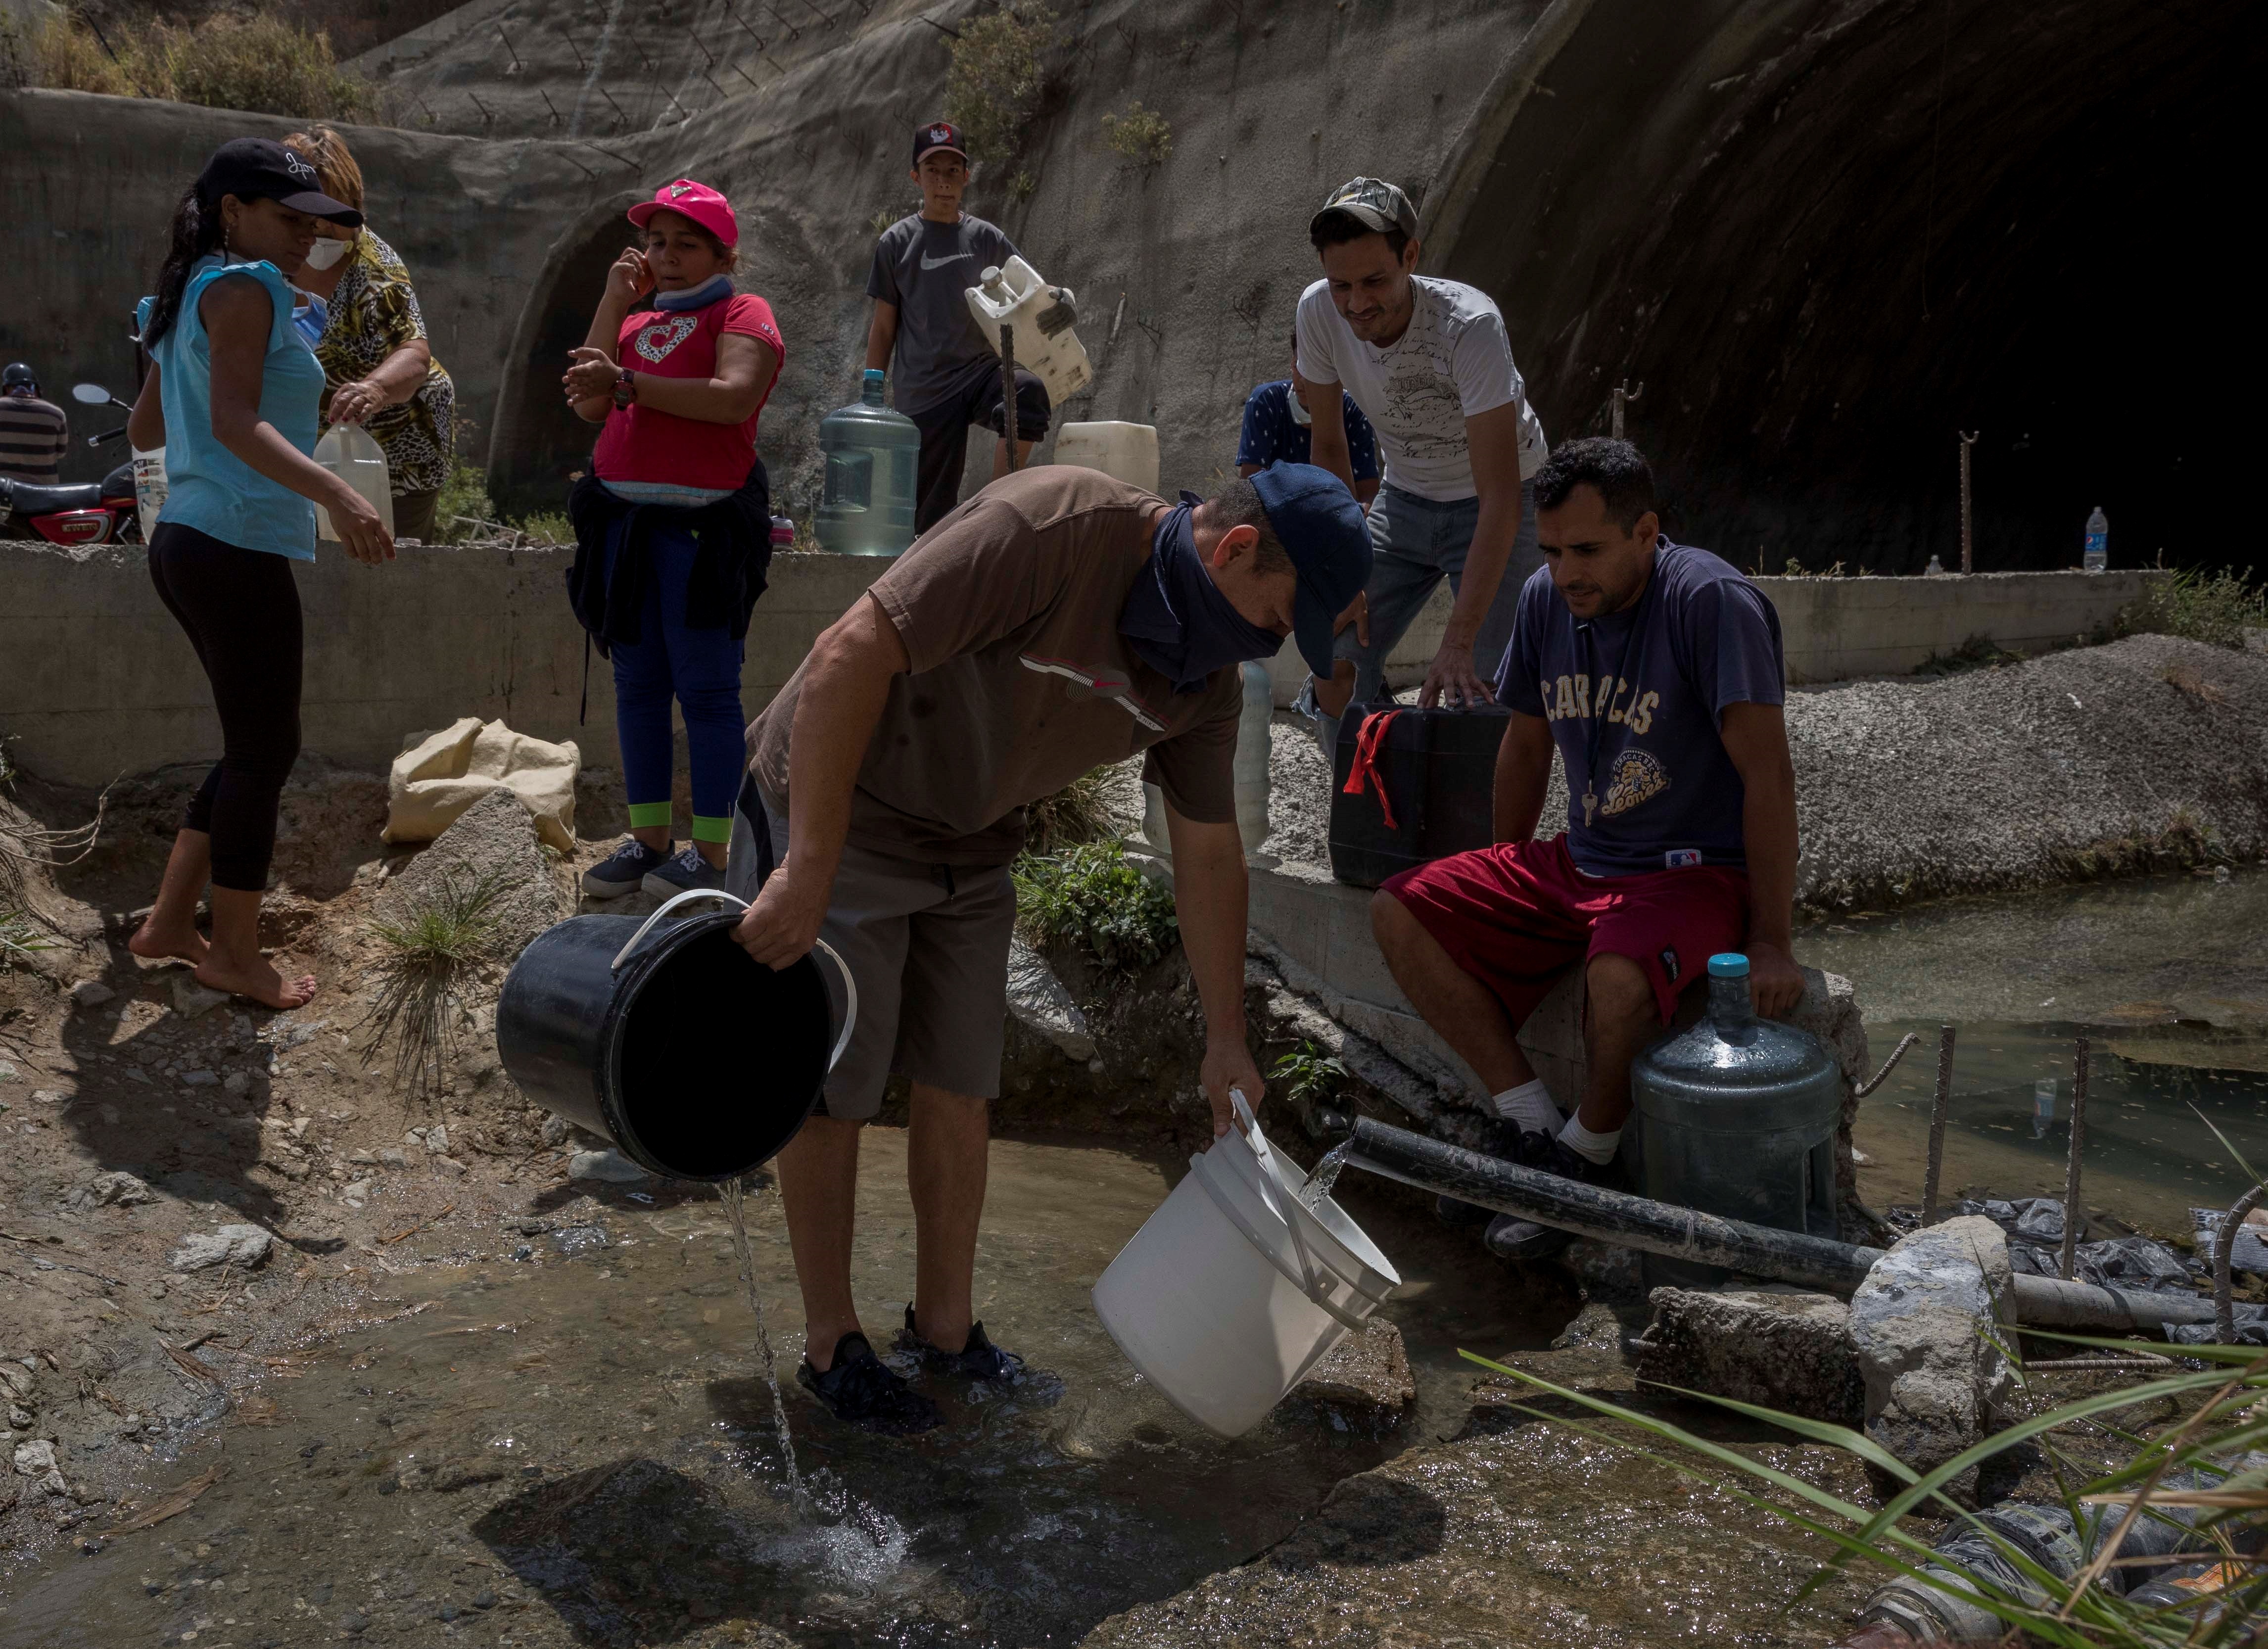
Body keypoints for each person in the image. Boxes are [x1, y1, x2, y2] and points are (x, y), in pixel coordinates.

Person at [724, 461, 1372, 1432]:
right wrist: (808, 863)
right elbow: (849, 649)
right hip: (843, 802)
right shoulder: (1055, 528)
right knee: (832, 1077)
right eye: (1276, 621)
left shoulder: (1203, 684)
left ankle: (943, 1331)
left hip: (972, 839)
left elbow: (1206, 853)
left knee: (962, 1075)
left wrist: (1226, 1039)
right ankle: (831, 1343)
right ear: (1234, 549)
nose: (1270, 647)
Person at [1368, 438, 1802, 1259]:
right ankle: (1528, 1120)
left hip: (1693, 872)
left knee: (1616, 974)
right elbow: (1526, 750)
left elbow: (1768, 776)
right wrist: (1503, 876)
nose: (1568, 572)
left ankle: (1586, 1154)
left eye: (1589, 551)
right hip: (1585, 860)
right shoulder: (1545, 601)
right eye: (1555, 551)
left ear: (1646, 533)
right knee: (1400, 907)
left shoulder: (1712, 602)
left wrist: (1771, 939)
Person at [123, 138, 395, 1011]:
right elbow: (236, 421)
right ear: (232, 210)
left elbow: (143, 431)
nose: (302, 237)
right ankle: (236, 953)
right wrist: (339, 497)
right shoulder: (244, 288)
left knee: (252, 746)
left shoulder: (187, 294)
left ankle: (172, 924)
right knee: (266, 751)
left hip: (188, 541)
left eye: (313, 223)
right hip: (232, 543)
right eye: (287, 217)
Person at [561, 179, 785, 898]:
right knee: (638, 687)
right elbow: (592, 399)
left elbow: (733, 399)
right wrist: (611, 302)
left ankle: (714, 853)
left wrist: (631, 383)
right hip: (628, 533)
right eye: (657, 242)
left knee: (709, 693)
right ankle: (648, 841)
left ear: (724, 253)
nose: (668, 256)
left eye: (687, 244)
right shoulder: (636, 320)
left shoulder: (743, 311)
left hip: (703, 535)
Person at [1290, 176, 1550, 735]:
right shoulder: (1316, 312)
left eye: (1374, 282)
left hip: (1501, 502)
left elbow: (1500, 494)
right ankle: (1366, 814)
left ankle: (1477, 821)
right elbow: (1329, 446)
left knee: (1479, 689)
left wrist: (1457, 640)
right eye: (1341, 286)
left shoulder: (1469, 327)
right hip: (1404, 497)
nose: (1357, 305)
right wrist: (1339, 572)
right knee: (1334, 656)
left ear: (1409, 256)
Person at [864, 121, 1050, 534]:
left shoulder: (986, 238)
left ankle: (996, 507)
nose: (943, 182)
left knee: (1029, 395)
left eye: (953, 171)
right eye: (933, 171)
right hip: (925, 389)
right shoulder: (896, 243)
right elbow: (883, 329)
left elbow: (1030, 290)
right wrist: (873, 393)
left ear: (966, 177)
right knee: (926, 522)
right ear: (917, 177)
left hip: (979, 372)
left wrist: (1059, 301)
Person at [279, 127, 458, 545]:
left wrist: (374, 388)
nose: (321, 230)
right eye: (309, 216)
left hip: (399, 444)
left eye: (334, 216)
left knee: (387, 562)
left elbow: (414, 354)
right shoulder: (271, 255)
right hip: (312, 447)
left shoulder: (374, 271)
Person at [1235, 329, 1380, 506]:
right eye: (1299, 366)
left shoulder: (1352, 410)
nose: (1304, 380)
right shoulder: (1267, 402)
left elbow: (1368, 496)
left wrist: (1354, 518)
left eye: (1316, 369)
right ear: (1291, 364)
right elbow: (1249, 492)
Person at [0, 364, 68, 484]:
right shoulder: (57, 414)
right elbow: (61, 453)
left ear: (7, 388)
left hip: (2, 488)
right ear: (36, 388)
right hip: (44, 491)